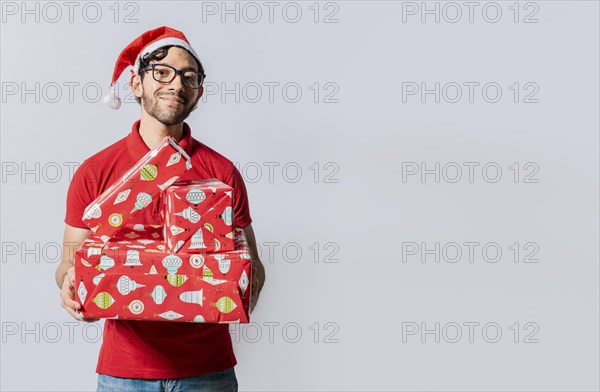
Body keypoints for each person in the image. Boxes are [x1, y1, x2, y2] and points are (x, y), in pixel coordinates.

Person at [55, 26, 266, 391]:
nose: (176, 83)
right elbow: (67, 265)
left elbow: (253, 266)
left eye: (189, 76)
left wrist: (237, 289)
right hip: (124, 373)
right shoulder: (96, 172)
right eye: (162, 72)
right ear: (136, 84)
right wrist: (72, 288)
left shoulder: (222, 172)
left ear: (198, 92)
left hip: (207, 371)